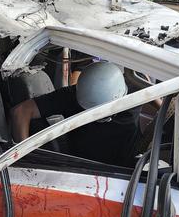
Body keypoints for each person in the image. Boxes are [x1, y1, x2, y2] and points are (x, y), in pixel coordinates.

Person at [10, 61, 141, 167]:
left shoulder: (137, 93)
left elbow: (159, 104)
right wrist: (23, 156)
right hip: (81, 170)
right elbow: (21, 112)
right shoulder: (70, 96)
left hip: (127, 170)